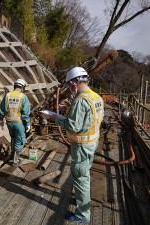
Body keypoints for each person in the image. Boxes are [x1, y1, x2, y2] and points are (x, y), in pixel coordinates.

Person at [50, 67, 104, 223]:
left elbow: (74, 126)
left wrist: (56, 117)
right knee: (84, 174)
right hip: (91, 143)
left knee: (80, 178)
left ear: (74, 83)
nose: (69, 88)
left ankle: (82, 215)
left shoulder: (80, 100)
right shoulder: (95, 96)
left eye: (69, 85)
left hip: (81, 146)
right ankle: (82, 201)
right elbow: (90, 116)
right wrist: (68, 109)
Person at [0, 79, 31, 166]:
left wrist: (1, 120)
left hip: (9, 122)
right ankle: (15, 160)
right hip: (19, 123)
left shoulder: (7, 95)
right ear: (22, 87)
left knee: (13, 137)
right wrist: (27, 124)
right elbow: (25, 113)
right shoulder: (23, 97)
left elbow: (2, 109)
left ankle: (12, 155)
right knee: (20, 140)